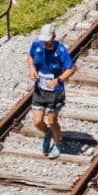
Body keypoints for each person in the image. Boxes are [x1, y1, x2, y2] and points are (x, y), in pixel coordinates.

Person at [27, 23, 74, 159]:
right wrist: (32, 68)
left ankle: (58, 143)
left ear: (54, 37)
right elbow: (30, 56)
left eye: (48, 40)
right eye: (43, 40)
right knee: (37, 122)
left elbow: (71, 68)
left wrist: (59, 79)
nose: (45, 42)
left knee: (52, 121)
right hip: (40, 89)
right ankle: (48, 133)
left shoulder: (61, 50)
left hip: (55, 91)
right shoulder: (36, 44)